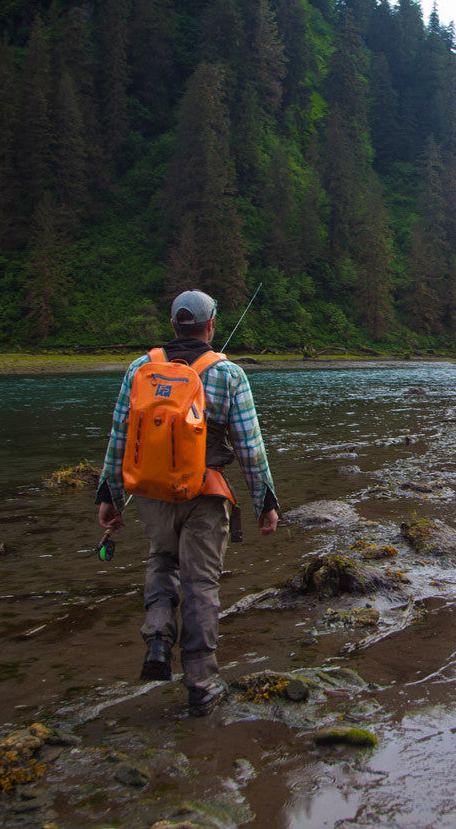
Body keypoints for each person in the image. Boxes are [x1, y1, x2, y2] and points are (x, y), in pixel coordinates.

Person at [95, 289, 279, 716]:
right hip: (204, 493)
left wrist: (109, 495)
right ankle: (201, 682)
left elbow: (120, 436)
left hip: (150, 493)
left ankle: (159, 638)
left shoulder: (140, 368)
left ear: (174, 324)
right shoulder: (228, 374)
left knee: (162, 558)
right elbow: (251, 449)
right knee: (201, 584)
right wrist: (264, 503)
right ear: (210, 325)